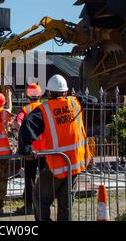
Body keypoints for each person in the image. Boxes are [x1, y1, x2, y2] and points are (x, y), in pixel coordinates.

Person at [18, 75, 93, 221]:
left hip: (56, 165)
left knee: (39, 198)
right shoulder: (75, 102)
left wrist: (25, 150)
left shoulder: (43, 110)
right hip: (75, 163)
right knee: (66, 206)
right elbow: (92, 99)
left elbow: (26, 126)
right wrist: (76, 96)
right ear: (65, 92)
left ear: (49, 93)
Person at [14, 83, 46, 215]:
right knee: (45, 177)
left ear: (28, 96)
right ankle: (43, 204)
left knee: (29, 177)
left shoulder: (25, 109)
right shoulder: (45, 108)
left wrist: (24, 133)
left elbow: (17, 123)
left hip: (30, 150)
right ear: (40, 95)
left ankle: (29, 206)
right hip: (45, 150)